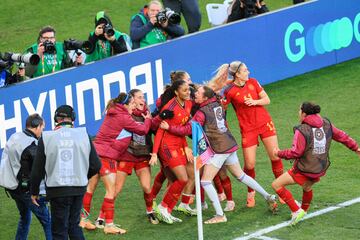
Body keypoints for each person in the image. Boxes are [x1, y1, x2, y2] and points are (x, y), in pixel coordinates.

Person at [159, 85, 278, 223]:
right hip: (230, 144)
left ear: (205, 98)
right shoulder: (217, 103)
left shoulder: (202, 113)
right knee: (241, 175)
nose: (194, 93)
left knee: (205, 181)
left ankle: (220, 215)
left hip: (220, 150)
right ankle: (268, 196)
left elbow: (187, 130)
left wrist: (169, 127)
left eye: (198, 92)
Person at [272, 102, 360, 225]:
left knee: (276, 185)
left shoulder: (302, 130)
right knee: (307, 187)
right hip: (319, 168)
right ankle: (303, 210)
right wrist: (356, 148)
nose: (298, 113)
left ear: (304, 113)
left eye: (299, 110)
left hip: (304, 169)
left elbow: (296, 153)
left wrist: (278, 153)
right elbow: (341, 136)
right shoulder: (326, 124)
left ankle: (296, 211)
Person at [210, 61, 284, 208]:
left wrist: (255, 101)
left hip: (264, 124)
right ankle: (251, 192)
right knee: (249, 164)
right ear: (237, 74)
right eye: (245, 70)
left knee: (275, 156)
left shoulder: (254, 82)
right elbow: (222, 109)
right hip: (248, 129)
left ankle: (281, 190)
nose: (248, 72)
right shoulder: (229, 91)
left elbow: (267, 100)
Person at [30, 105, 101, 240]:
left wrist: (34, 192)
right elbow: (96, 165)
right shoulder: (83, 134)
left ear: (56, 119)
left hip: (57, 190)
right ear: (72, 118)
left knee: (59, 231)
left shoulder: (46, 137)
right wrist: (82, 176)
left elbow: (37, 170)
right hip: (78, 188)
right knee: (74, 226)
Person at [86, 93, 152, 234]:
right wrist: (147, 120)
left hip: (95, 153)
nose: (134, 106)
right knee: (111, 190)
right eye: (132, 104)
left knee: (90, 188)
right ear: (125, 105)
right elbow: (142, 130)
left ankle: (83, 219)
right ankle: (109, 225)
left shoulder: (113, 111)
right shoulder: (123, 117)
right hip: (107, 156)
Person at [0, 114, 51, 240]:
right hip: (25, 191)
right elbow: (30, 175)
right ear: (37, 127)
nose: (42, 131)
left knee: (25, 217)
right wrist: (35, 193)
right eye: (42, 128)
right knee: (48, 222)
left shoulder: (14, 136)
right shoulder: (32, 146)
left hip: (11, 187)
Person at [150, 80, 193, 224]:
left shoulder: (188, 104)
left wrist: (186, 146)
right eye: (185, 90)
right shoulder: (169, 108)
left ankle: (167, 210)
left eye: (188, 89)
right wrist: (155, 153)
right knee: (182, 179)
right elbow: (160, 132)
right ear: (176, 92)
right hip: (167, 147)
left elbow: (183, 127)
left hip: (179, 144)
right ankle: (162, 208)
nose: (188, 92)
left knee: (178, 180)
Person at [114, 89, 159, 225]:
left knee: (146, 188)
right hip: (127, 155)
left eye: (143, 97)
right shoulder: (126, 114)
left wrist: (155, 152)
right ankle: (102, 217)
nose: (143, 100)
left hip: (143, 156)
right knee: (116, 189)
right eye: (139, 97)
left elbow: (157, 131)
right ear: (132, 100)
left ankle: (150, 211)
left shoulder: (148, 114)